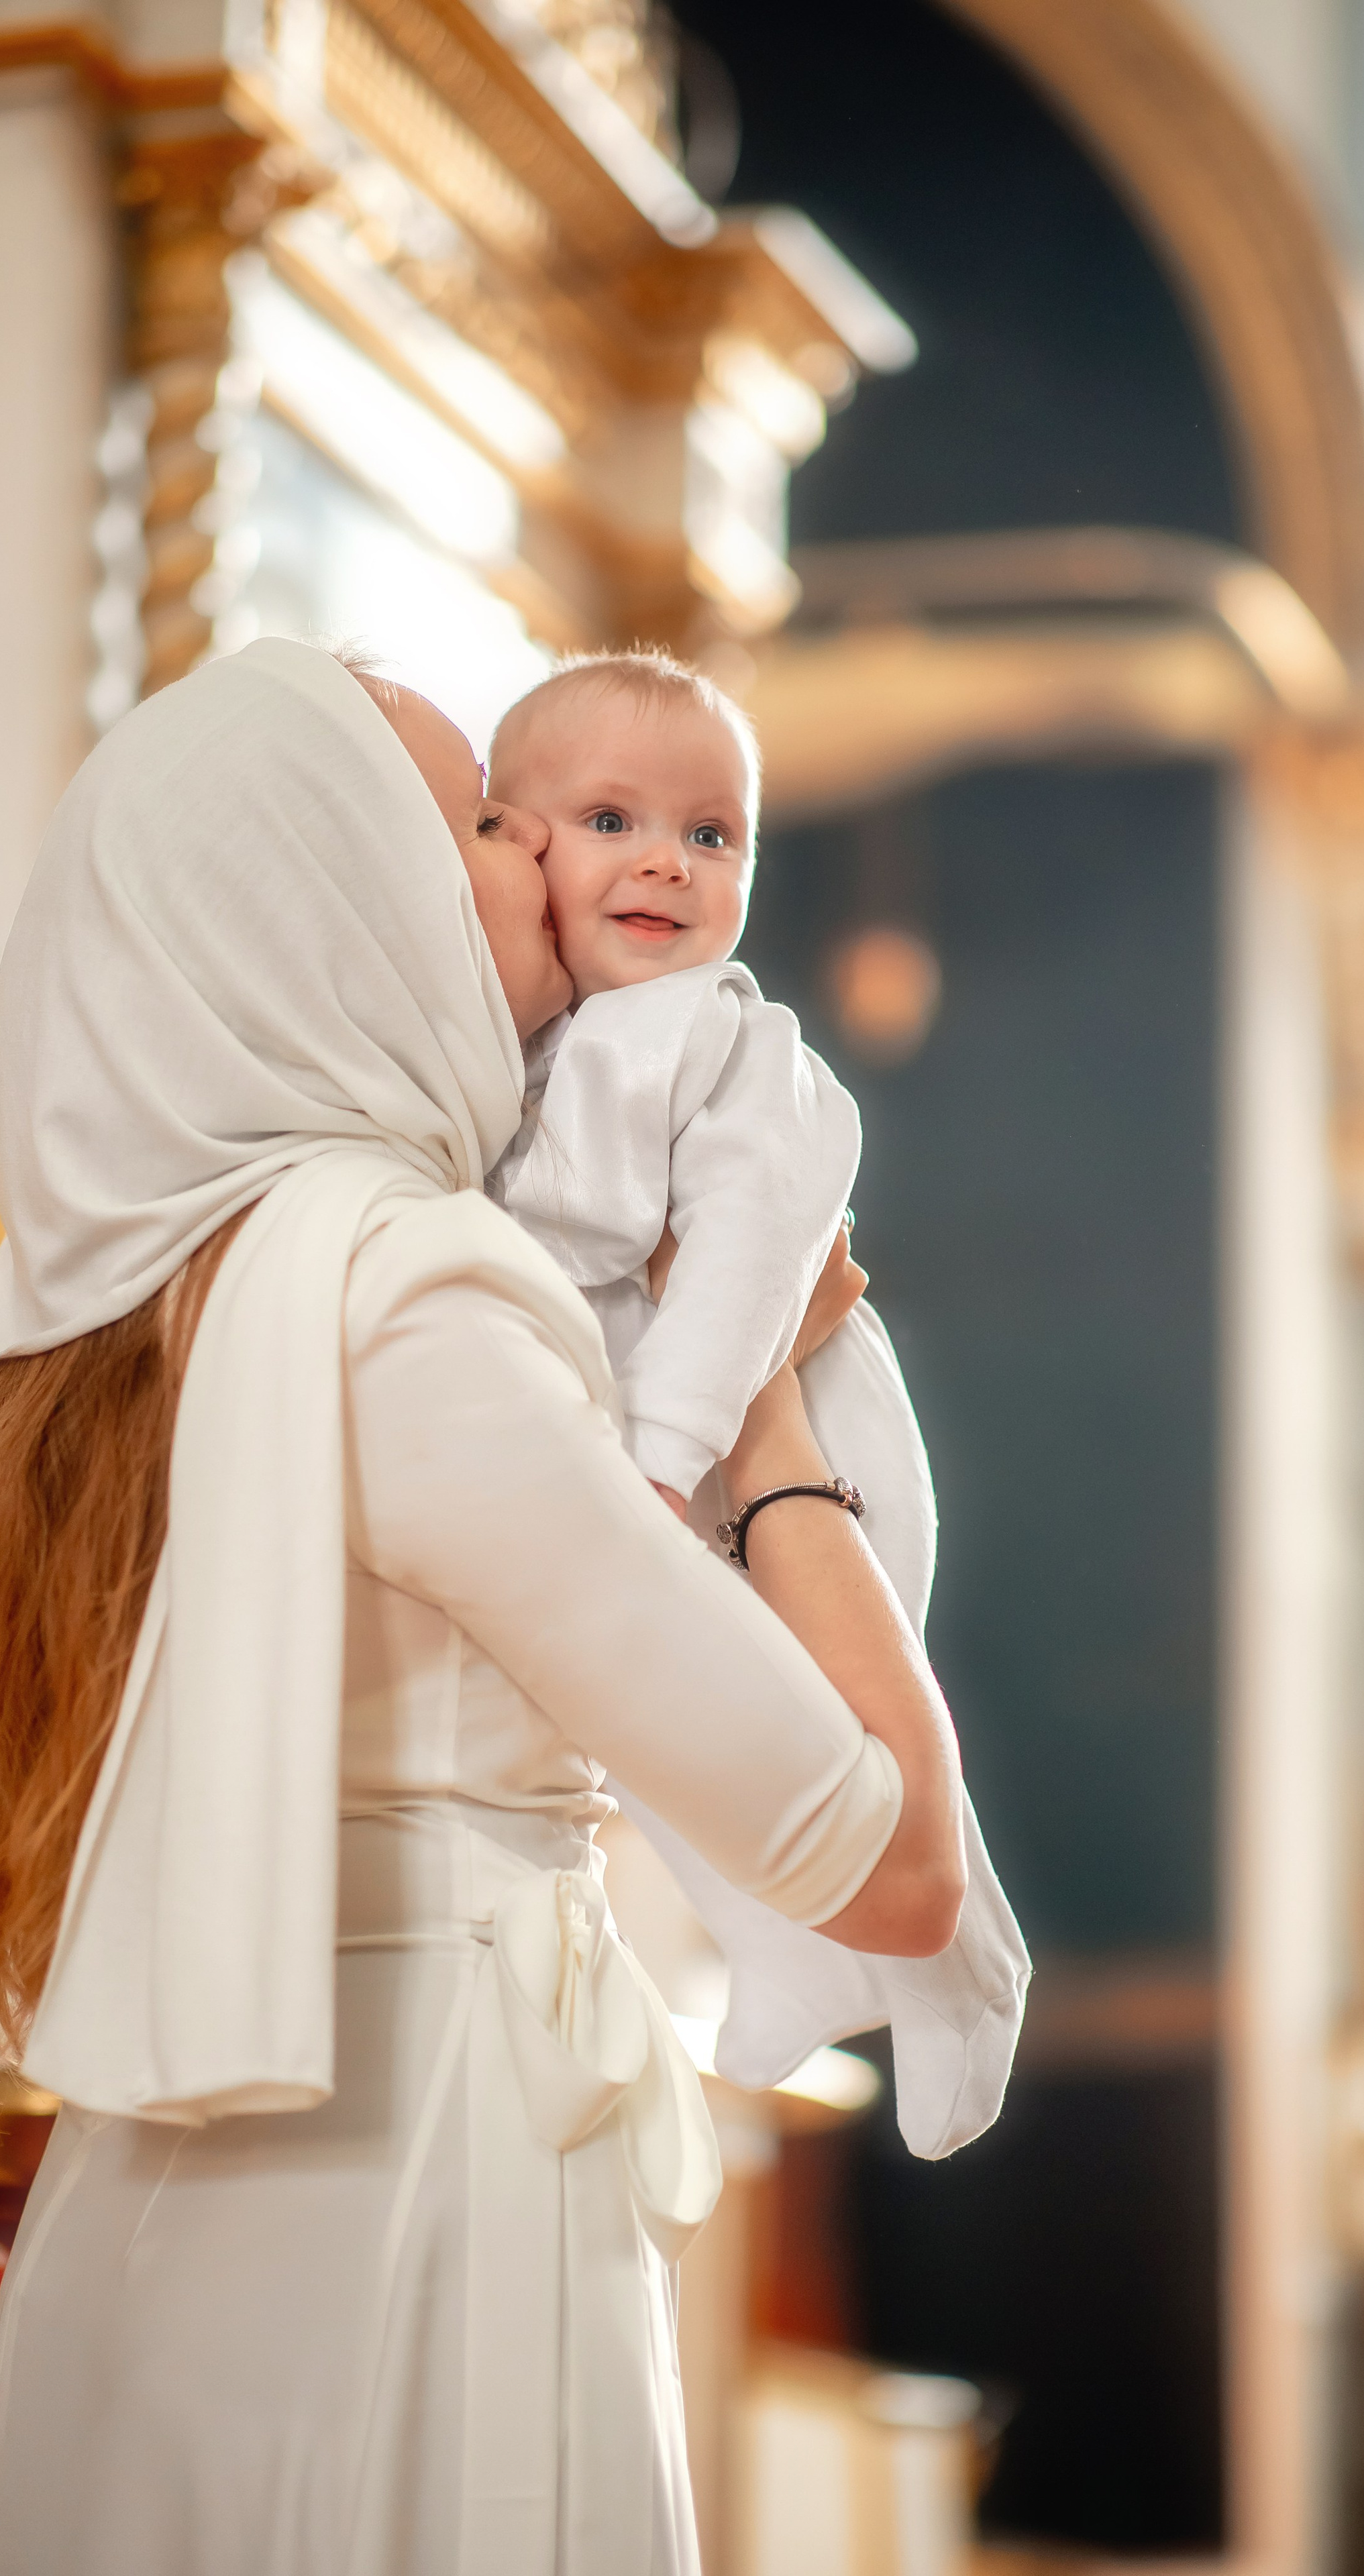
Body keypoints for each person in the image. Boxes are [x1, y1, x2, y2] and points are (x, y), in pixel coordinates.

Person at [0, 639, 972, 2576]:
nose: (542, 854)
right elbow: (892, 1868)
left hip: (146, 2230)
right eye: (478, 820)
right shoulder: (407, 1301)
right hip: (417, 2198)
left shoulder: (54, 1305)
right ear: (348, 900)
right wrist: (764, 1387)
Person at [486, 649, 1029, 2153]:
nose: (668, 858)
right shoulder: (520, 1049)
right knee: (677, 1745)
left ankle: (969, 1975)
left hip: (800, 1428)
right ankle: (784, 1960)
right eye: (612, 820)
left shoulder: (730, 1041)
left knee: (847, 1738)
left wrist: (666, 1455)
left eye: (712, 833)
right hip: (655, 1454)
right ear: (514, 844)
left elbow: (746, 1261)